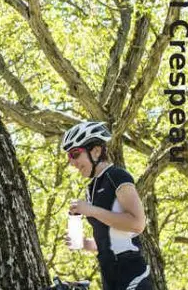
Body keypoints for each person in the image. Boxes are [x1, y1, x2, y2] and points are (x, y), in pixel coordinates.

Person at [61, 121, 152, 290]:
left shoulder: (116, 176)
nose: (72, 162)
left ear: (96, 151)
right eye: (69, 157)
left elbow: (137, 224)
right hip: (109, 274)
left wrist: (91, 210)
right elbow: (113, 237)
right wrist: (85, 243)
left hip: (131, 272)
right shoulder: (91, 188)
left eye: (75, 154)